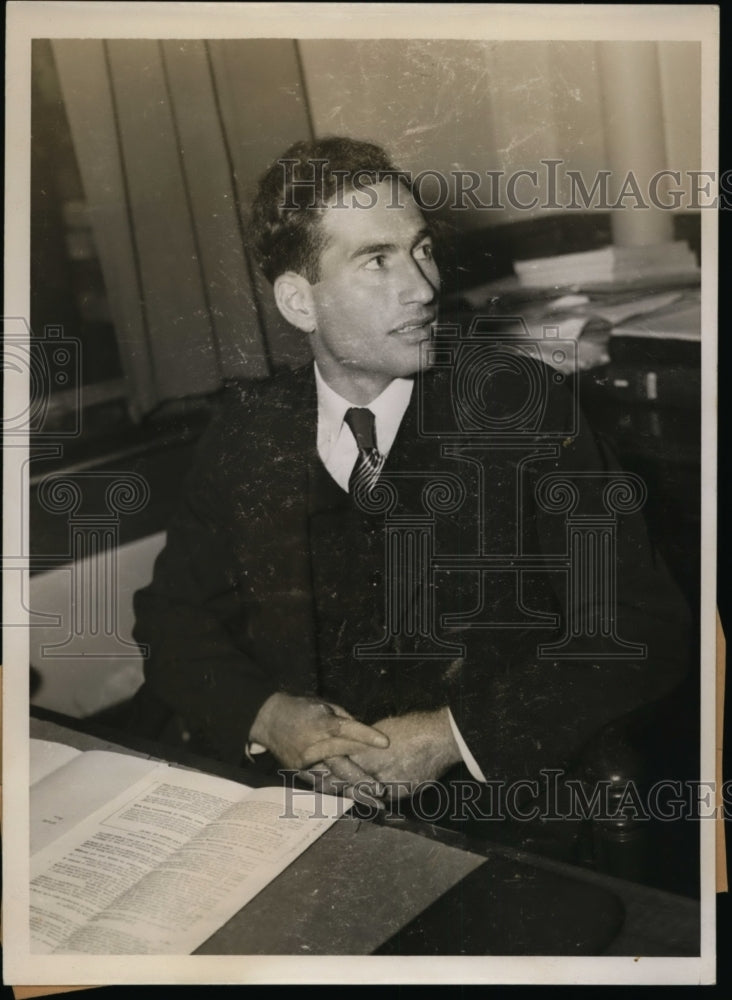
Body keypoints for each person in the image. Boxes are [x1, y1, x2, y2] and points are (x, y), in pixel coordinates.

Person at [130, 136, 690, 809]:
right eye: (376, 260)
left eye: (422, 249)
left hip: (491, 809)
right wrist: (265, 714)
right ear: (299, 302)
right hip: (293, 802)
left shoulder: (522, 407)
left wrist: (451, 736)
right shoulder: (249, 432)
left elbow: (641, 626)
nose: (424, 288)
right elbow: (170, 621)